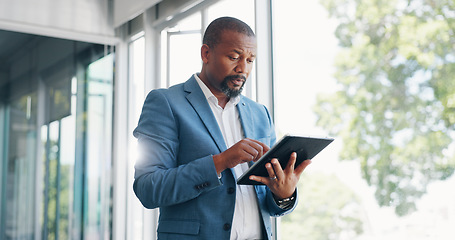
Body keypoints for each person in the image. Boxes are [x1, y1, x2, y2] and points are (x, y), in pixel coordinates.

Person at [133, 16, 311, 240]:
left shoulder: (260, 113)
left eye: (250, 60)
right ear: (206, 54)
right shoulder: (166, 103)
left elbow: (268, 201)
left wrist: (284, 194)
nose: (242, 69)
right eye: (234, 57)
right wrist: (220, 162)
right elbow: (149, 188)